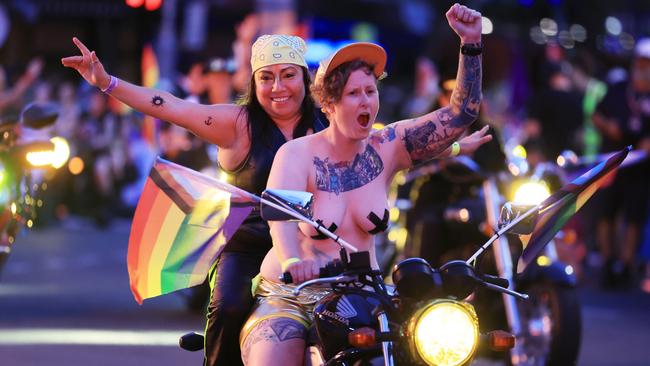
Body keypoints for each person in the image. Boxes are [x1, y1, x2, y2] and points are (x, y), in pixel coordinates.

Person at [62, 33, 329, 366]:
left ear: (304, 77)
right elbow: (170, 106)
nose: (278, 87)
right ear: (254, 81)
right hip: (247, 246)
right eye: (266, 77)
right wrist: (106, 82)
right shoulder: (237, 124)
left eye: (288, 75)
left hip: (316, 245)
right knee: (228, 306)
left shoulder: (329, 125)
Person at [239, 4, 484, 365]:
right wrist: (293, 258)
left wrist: (471, 43)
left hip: (362, 293)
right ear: (328, 104)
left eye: (370, 91)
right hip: (293, 295)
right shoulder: (297, 154)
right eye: (354, 94)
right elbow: (282, 219)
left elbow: (461, 113)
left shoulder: (389, 146)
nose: (366, 101)